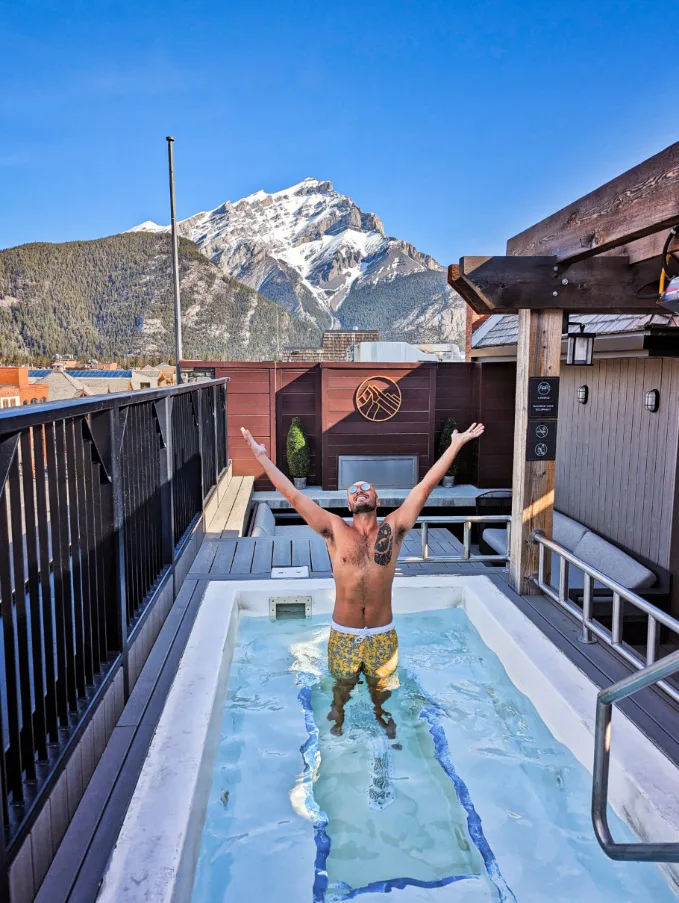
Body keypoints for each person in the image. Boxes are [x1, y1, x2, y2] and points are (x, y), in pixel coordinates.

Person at [240, 422, 485, 735]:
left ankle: (381, 712)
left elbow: (424, 487)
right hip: (344, 633)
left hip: (384, 634)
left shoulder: (394, 529)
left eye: (364, 488)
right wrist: (262, 456)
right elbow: (292, 495)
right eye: (352, 491)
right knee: (341, 687)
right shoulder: (334, 530)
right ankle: (338, 711)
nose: (358, 492)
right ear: (348, 504)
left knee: (381, 689)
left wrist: (455, 444)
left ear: (377, 499)